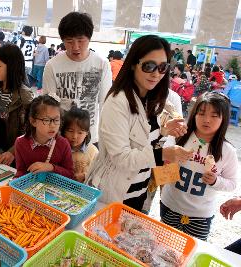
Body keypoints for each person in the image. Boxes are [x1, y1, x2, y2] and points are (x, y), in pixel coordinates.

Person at [85, 35, 190, 210]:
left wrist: (163, 132)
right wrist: (164, 154)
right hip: (115, 193)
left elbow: (144, 143)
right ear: (134, 64)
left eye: (163, 67)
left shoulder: (150, 98)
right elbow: (122, 158)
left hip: (139, 190)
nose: (156, 73)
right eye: (149, 66)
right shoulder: (117, 102)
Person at [161, 92, 238, 241]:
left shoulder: (227, 151)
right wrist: (169, 162)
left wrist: (216, 181)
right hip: (169, 205)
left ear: (224, 119)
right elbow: (163, 167)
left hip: (200, 216)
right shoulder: (179, 136)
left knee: (191, 255)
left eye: (215, 115)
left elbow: (232, 183)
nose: (207, 120)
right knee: (163, 246)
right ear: (194, 114)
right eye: (201, 113)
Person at [43, 12, 112, 145]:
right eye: (69, 41)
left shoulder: (102, 64)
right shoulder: (52, 65)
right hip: (61, 136)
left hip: (90, 137)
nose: (75, 47)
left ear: (89, 37)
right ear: (63, 40)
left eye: (81, 41)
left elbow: (105, 104)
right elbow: (49, 105)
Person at [15, 95, 74, 178]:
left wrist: (51, 167)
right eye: (46, 120)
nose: (53, 125)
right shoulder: (21, 143)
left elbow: (70, 174)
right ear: (33, 121)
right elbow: (21, 171)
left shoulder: (63, 144)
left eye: (56, 120)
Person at [62, 107, 98, 183]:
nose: (74, 136)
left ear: (87, 133)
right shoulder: (60, 149)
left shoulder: (93, 152)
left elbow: (98, 174)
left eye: (80, 132)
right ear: (63, 131)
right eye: (70, 131)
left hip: (85, 191)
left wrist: (85, 175)